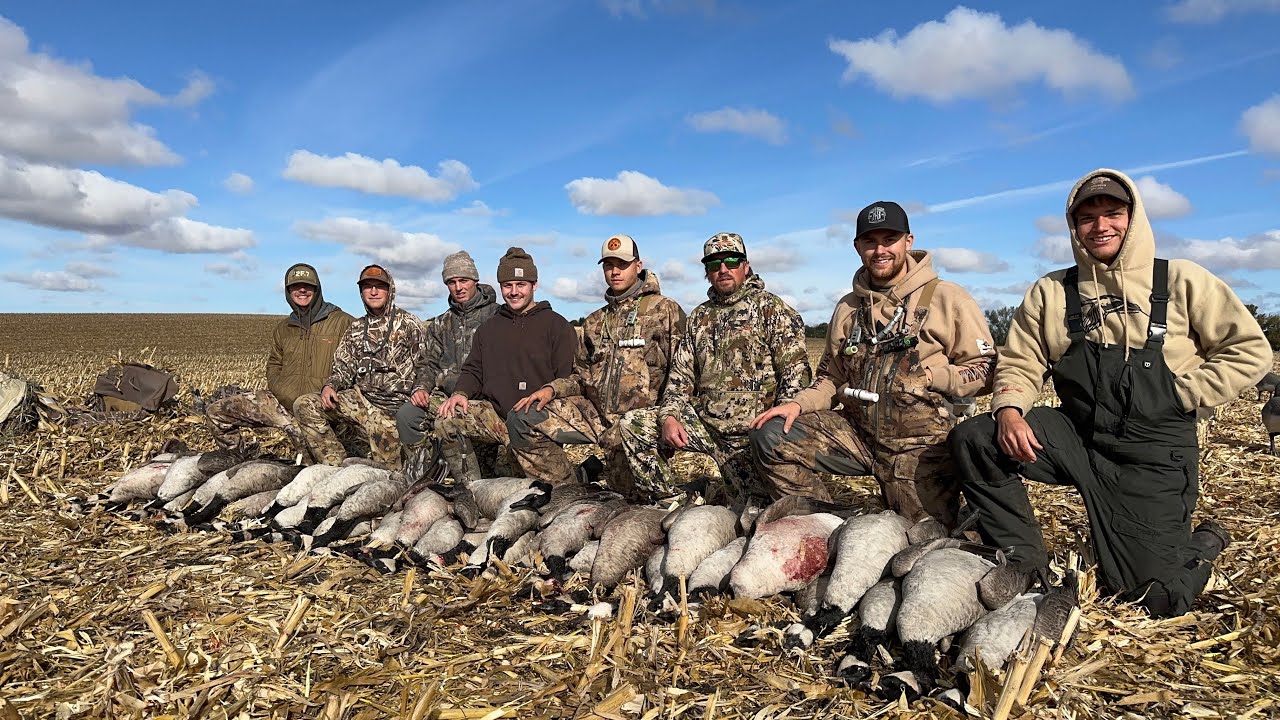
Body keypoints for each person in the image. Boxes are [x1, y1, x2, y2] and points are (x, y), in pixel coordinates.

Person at [949, 169, 1273, 616]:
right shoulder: (1052, 291)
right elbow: (1022, 360)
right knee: (976, 438)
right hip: (1079, 435)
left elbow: (1250, 351)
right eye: (1088, 217)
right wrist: (1008, 410)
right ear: (1073, 226)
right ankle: (1023, 563)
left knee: (1153, 596)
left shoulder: (1181, 280)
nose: (1100, 226)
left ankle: (1205, 542)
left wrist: (1181, 394)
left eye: (1113, 213)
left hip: (1152, 450)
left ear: (1133, 218)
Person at [750, 201, 997, 522]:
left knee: (921, 536)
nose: (880, 250)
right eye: (870, 241)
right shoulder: (847, 307)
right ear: (857, 247)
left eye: (889, 239)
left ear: (908, 241)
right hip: (857, 434)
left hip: (920, 445)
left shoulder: (947, 298)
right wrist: (797, 405)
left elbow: (986, 369)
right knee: (772, 436)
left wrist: (931, 377)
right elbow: (830, 378)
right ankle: (825, 523)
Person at [620, 232, 810, 500]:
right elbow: (680, 377)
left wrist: (773, 432)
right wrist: (669, 416)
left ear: (745, 266)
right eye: (713, 264)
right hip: (707, 425)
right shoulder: (699, 317)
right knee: (634, 424)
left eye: (731, 261)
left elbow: (796, 375)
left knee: (754, 509)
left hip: (751, 435)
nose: (723, 269)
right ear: (707, 272)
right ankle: (667, 502)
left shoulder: (772, 309)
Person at [507, 235, 686, 497]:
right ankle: (567, 492)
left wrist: (665, 417)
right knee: (524, 418)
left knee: (631, 500)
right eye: (609, 265)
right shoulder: (594, 321)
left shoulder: (664, 311)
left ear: (638, 266)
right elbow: (580, 376)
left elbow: (682, 374)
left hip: (637, 425)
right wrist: (551, 389)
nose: (615, 271)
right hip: (596, 416)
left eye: (622, 264)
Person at [435, 247, 577, 483]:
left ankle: (579, 473)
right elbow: (473, 369)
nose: (514, 292)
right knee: (448, 419)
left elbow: (567, 378)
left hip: (534, 422)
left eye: (521, 284)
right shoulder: (489, 329)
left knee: (550, 491)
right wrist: (460, 393)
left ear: (534, 285)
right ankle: (471, 489)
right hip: (496, 417)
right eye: (507, 285)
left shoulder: (557, 326)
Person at [205, 263, 353, 458]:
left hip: (319, 408)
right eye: (295, 286)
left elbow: (354, 366)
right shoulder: (284, 328)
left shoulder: (343, 322)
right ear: (288, 291)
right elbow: (274, 364)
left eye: (308, 286)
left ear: (317, 289)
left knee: (314, 465)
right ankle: (236, 459)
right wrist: (280, 390)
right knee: (217, 411)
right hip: (282, 404)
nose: (302, 290)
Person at [294, 265, 424, 470]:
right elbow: (343, 365)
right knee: (305, 405)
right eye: (367, 287)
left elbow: (425, 365)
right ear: (361, 292)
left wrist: (419, 392)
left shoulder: (409, 324)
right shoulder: (356, 327)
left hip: (393, 408)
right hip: (361, 401)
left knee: (389, 475)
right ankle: (335, 469)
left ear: (390, 290)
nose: (373, 291)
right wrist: (331, 385)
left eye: (379, 286)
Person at [395, 251, 500, 471]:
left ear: (475, 280)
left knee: (482, 471)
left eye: (464, 280)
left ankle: (469, 480)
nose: (458, 287)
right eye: (451, 282)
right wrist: (421, 388)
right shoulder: (440, 323)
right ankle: (423, 474)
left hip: (484, 399)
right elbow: (428, 363)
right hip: (445, 398)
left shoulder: (497, 316)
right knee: (408, 415)